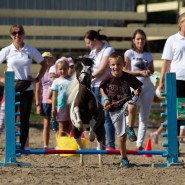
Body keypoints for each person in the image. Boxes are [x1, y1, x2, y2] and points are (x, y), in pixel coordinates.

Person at [0, 24, 47, 149]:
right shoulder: (7, 50)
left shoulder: (30, 50)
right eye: (14, 33)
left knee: (24, 118)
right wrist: (1, 79)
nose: (17, 35)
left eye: (19, 33)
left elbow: (44, 65)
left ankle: (21, 145)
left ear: (23, 34)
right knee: (9, 116)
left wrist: (37, 78)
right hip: (11, 87)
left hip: (27, 87)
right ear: (11, 35)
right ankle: (10, 144)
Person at [99, 51, 142, 167]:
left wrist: (137, 91)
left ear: (124, 64)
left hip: (126, 103)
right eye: (113, 65)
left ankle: (131, 128)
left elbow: (138, 86)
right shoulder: (108, 78)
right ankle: (123, 158)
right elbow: (101, 88)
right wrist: (106, 99)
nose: (116, 67)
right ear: (109, 65)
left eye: (118, 64)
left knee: (132, 105)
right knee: (121, 137)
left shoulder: (128, 77)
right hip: (114, 109)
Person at [84, 29, 116, 149]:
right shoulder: (93, 52)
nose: (88, 46)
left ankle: (111, 145)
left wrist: (88, 77)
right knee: (97, 117)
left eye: (88, 43)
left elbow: (102, 69)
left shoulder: (108, 50)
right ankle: (101, 143)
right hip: (93, 87)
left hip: (106, 88)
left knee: (107, 116)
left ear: (95, 40)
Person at [157, 12, 185, 150]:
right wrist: (161, 82)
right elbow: (166, 62)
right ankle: (175, 146)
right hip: (177, 80)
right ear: (180, 24)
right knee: (177, 113)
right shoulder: (172, 40)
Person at [124, 29, 155, 150]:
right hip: (134, 85)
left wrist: (148, 72)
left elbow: (151, 70)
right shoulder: (129, 53)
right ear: (133, 40)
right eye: (138, 39)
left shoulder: (148, 55)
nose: (140, 41)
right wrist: (140, 73)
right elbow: (125, 70)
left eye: (142, 39)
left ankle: (139, 144)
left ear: (145, 40)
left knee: (144, 116)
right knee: (131, 108)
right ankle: (128, 129)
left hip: (148, 86)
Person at [35, 51, 55, 149]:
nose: (47, 62)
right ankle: (45, 145)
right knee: (46, 124)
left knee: (58, 123)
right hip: (45, 101)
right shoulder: (40, 74)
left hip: (56, 100)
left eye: (49, 60)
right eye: (45, 61)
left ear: (52, 61)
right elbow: (38, 90)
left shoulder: (56, 72)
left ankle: (59, 145)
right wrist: (38, 105)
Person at [51, 59, 71, 137]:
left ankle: (69, 146)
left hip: (70, 107)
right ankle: (61, 147)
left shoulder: (72, 80)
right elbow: (54, 96)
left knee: (70, 127)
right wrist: (53, 108)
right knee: (61, 127)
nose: (62, 71)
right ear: (57, 70)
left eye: (64, 68)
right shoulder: (56, 81)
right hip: (61, 106)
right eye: (60, 69)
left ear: (68, 68)